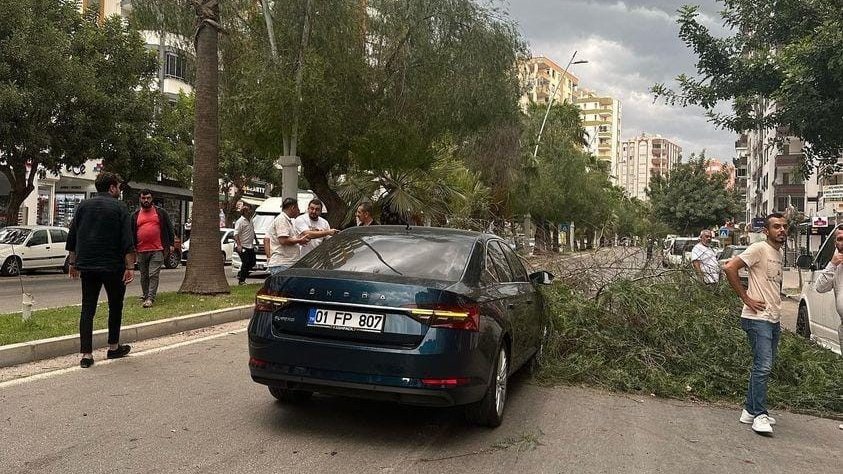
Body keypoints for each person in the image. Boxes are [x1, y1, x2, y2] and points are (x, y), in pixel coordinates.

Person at [723, 213, 787, 434]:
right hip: (756, 319)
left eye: (784, 226)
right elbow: (730, 267)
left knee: (762, 366)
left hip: (773, 319)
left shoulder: (777, 254)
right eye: (776, 226)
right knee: (763, 366)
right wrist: (746, 298)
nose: (781, 230)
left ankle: (750, 410)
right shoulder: (759, 248)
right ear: (766, 231)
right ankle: (759, 414)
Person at [65, 172, 136, 368]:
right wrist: (130, 266)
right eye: (119, 187)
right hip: (113, 266)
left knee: (87, 307)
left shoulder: (83, 206)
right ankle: (113, 347)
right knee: (115, 305)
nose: (119, 190)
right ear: (112, 187)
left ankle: (86, 354)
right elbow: (127, 240)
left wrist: (72, 263)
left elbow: (73, 235)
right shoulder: (120, 207)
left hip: (87, 264)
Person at [131, 189, 175, 308]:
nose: (146, 200)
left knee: (153, 274)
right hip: (141, 250)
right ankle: (146, 295)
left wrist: (171, 244)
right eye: (143, 198)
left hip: (157, 249)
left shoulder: (161, 213)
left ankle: (150, 298)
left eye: (148, 198)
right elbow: (131, 232)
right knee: (144, 275)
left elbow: (169, 228)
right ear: (140, 199)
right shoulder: (135, 215)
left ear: (152, 199)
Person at [812, 227, 843, 352]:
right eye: (840, 239)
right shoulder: (835, 268)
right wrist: (832, 264)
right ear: (835, 243)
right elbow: (820, 287)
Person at [265, 197, 309, 276]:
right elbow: (283, 240)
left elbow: (288, 238)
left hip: (286, 264)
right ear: (293, 208)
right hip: (282, 264)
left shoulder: (287, 221)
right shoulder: (282, 219)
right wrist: (299, 241)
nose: (298, 211)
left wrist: (298, 240)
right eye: (297, 208)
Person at [233, 203, 257, 285]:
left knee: (252, 262)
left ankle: (241, 273)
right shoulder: (240, 222)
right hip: (243, 246)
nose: (251, 212)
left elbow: (252, 231)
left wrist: (256, 240)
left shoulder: (250, 220)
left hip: (250, 245)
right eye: (249, 210)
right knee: (245, 262)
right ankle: (241, 281)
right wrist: (239, 245)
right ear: (245, 212)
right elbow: (235, 234)